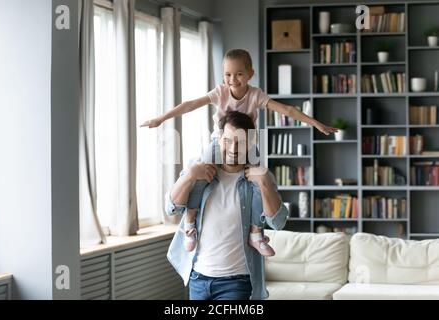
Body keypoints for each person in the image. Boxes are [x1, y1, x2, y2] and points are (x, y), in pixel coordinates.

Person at [142, 48, 337, 256]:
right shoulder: (220, 92)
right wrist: (160, 119)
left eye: (239, 74)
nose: (232, 80)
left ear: (250, 74)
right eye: (227, 74)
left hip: (248, 145)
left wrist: (315, 123)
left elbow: (287, 110)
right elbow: (190, 105)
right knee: (198, 173)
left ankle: (256, 232)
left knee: (258, 182)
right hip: (220, 142)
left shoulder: (255, 95)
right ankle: (189, 225)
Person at [166, 111, 289, 300]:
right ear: (219, 138)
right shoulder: (199, 168)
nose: (233, 148)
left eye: (240, 142)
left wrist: (263, 181)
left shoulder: (260, 176)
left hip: (237, 282)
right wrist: (190, 175)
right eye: (228, 140)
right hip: (198, 278)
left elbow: (278, 222)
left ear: (250, 144)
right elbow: (171, 208)